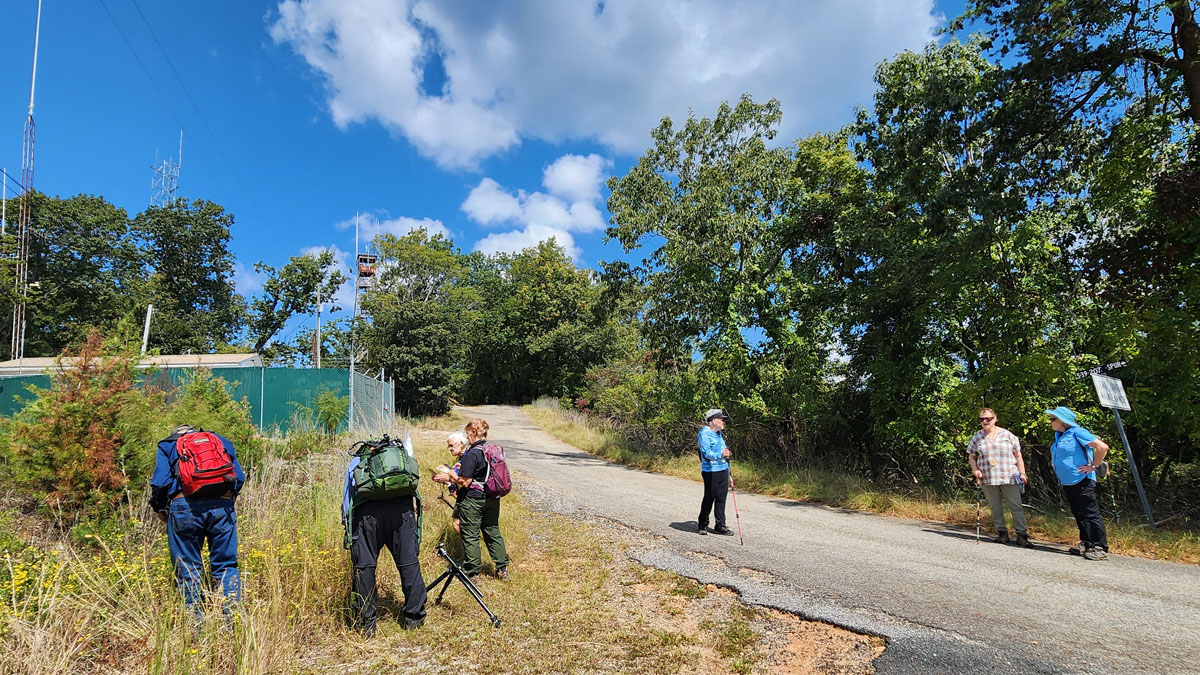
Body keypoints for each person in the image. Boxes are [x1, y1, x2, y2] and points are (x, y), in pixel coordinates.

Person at [148, 425, 245, 624]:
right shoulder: (221, 440)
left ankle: (195, 626)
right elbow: (239, 477)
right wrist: (228, 497)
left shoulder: (168, 445)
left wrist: (159, 508)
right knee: (226, 565)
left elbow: (160, 482)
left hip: (184, 507)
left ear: (176, 434)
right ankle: (232, 622)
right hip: (222, 506)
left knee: (187, 568)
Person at [343, 436, 427, 636]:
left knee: (365, 567)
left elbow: (348, 496)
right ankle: (414, 619)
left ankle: (366, 624)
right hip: (402, 512)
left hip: (368, 515)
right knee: (409, 564)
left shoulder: (359, 460)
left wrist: (347, 525)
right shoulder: (402, 456)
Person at [432, 419, 509, 579]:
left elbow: (465, 482)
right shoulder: (491, 450)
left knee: (470, 534)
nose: (467, 438)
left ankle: (473, 572)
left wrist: (450, 474)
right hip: (492, 498)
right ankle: (502, 569)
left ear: (473, 433)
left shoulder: (473, 453)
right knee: (492, 531)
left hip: (474, 500)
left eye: (468, 434)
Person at [1046, 406, 1111, 561]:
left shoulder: (1078, 432)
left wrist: (1093, 466)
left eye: (1053, 419)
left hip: (1083, 480)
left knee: (1090, 512)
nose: (1050, 422)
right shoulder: (1059, 435)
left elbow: (1102, 447)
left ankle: (1099, 546)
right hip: (1068, 481)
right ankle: (1087, 542)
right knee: (1079, 513)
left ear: (1063, 420)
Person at [966, 408, 1031, 547]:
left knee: (1016, 506)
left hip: (1009, 476)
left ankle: (1022, 535)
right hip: (988, 477)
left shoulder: (1007, 435)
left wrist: (1022, 473)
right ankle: (1002, 533)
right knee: (995, 506)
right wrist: (975, 469)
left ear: (995, 418)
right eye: (981, 419)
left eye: (988, 418)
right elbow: (971, 456)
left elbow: (1018, 456)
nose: (985, 421)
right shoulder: (977, 437)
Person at [696, 409, 734, 536]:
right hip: (710, 470)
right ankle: (702, 524)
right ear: (713, 421)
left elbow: (722, 449)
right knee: (709, 497)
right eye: (721, 419)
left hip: (723, 468)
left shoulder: (718, 433)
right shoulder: (704, 433)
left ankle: (720, 524)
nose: (723, 422)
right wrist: (721, 455)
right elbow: (706, 453)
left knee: (721, 497)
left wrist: (726, 453)